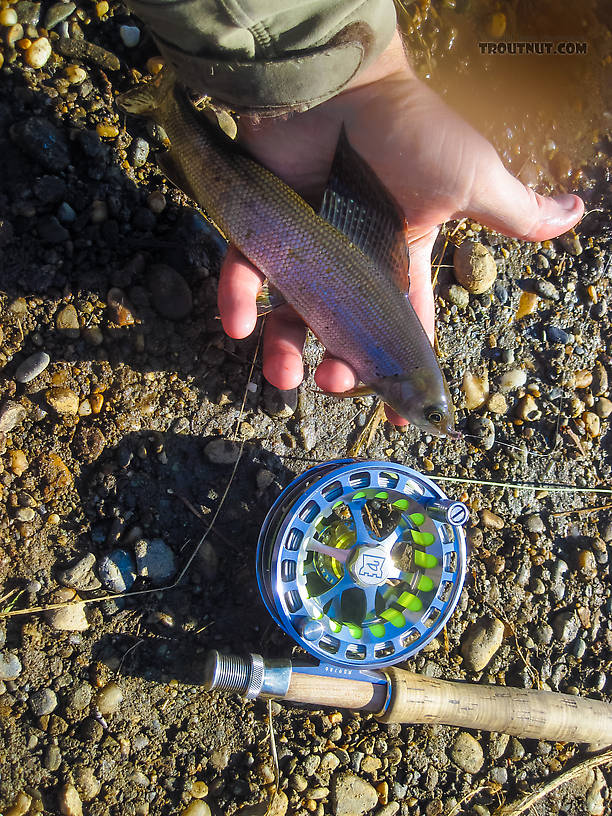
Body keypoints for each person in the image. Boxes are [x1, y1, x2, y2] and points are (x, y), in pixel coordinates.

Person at [126, 0, 584, 424]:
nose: (433, 423)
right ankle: (169, 104)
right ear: (408, 392)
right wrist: (368, 86)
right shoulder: (396, 376)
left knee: (208, 174)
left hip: (271, 208)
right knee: (207, 174)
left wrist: (353, 73)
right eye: (433, 416)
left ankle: (171, 104)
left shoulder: (401, 372)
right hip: (266, 213)